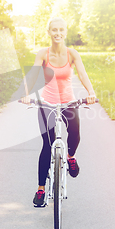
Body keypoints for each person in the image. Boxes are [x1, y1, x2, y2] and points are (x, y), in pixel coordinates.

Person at [20, 17, 96, 207]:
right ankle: (40, 190)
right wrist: (26, 94)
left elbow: (82, 73)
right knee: (47, 145)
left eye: (61, 30)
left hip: (69, 102)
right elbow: (33, 74)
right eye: (54, 30)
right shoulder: (43, 54)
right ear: (49, 32)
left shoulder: (72, 54)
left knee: (75, 135)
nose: (58, 33)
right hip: (47, 104)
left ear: (65, 32)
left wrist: (91, 92)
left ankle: (70, 157)